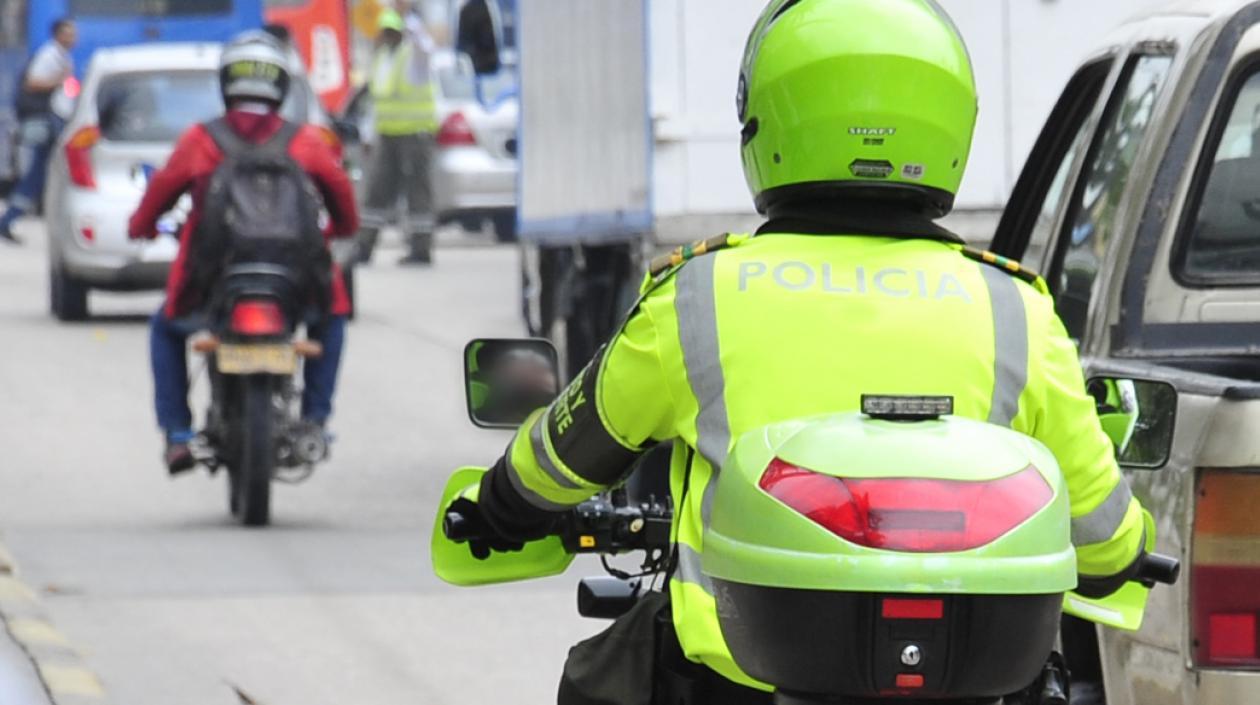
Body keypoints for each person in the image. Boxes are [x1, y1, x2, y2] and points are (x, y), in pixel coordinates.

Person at [452, 1, 1150, 703]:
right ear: (952, 125)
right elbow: (1107, 541)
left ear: (763, 120)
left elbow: (560, 458)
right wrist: (1138, 541)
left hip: (733, 686)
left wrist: (499, 505)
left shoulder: (701, 296)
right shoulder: (1014, 309)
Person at [129, 31, 359, 474]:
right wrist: (341, 230)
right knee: (331, 320)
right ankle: (314, 420)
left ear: (226, 82)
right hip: (295, 283)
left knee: (165, 328)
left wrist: (140, 227)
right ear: (281, 85)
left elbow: (157, 196)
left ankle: (178, 434)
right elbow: (343, 200)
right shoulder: (306, 141)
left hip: (215, 281)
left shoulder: (201, 140)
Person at [354, 7, 439, 266]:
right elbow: (375, 102)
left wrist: (409, 19)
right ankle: (364, 247)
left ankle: (421, 249)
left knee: (417, 193)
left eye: (392, 31)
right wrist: (368, 135)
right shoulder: (380, 60)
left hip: (415, 135)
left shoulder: (413, 56)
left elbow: (425, 45)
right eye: (385, 31)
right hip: (387, 136)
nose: (387, 36)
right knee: (376, 193)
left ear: (400, 33)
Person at [0, 18, 77, 244]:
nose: (73, 38)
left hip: (52, 120)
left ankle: (10, 219)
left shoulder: (60, 56)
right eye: (68, 33)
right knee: (38, 173)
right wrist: (59, 79)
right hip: (45, 122)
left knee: (41, 173)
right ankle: (8, 219)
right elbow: (32, 83)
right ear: (57, 35)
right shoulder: (49, 55)